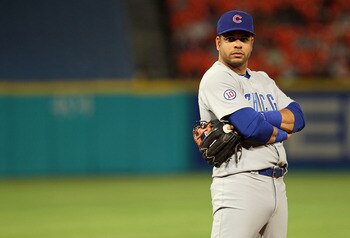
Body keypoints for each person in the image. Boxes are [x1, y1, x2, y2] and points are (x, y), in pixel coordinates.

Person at [197, 10, 306, 238]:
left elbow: (298, 117)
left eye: (243, 39)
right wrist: (284, 132)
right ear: (218, 42)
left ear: (251, 43)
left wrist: (260, 117)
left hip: (278, 185)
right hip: (240, 184)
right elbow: (252, 128)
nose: (237, 44)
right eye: (230, 38)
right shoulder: (217, 77)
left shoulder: (263, 79)